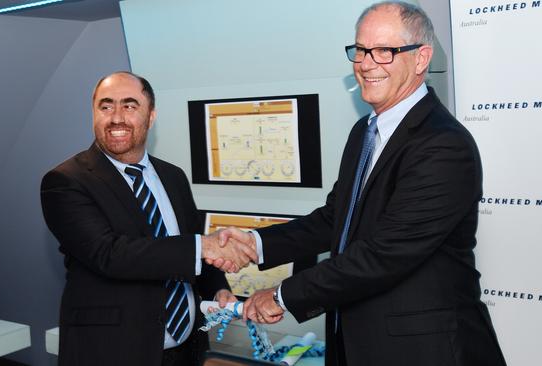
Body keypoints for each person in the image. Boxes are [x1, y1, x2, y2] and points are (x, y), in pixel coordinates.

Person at [215, 2, 507, 365]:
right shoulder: (366, 132)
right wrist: (257, 244)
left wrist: (280, 296)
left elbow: (385, 255)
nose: (366, 63)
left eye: (384, 51)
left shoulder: (443, 145)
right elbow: (335, 219)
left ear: (421, 59)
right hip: (358, 342)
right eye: (361, 50)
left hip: (423, 351)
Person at [40, 71, 256, 366]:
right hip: (113, 352)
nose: (116, 117)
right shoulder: (65, 181)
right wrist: (204, 246)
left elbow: (191, 248)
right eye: (106, 106)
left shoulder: (173, 176)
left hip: (186, 349)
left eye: (129, 106)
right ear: (94, 113)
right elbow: (110, 254)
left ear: (151, 116)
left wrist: (217, 287)